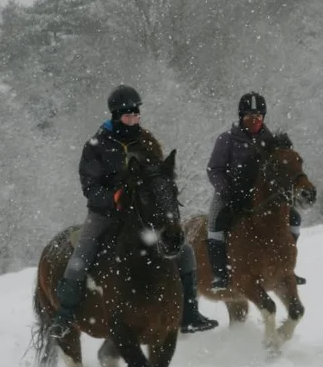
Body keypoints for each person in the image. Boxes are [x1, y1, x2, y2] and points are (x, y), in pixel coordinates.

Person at [47, 85, 218, 340]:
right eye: (128, 115)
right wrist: (112, 197)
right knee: (81, 255)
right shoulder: (96, 145)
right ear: (116, 116)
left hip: (143, 214)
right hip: (105, 213)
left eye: (136, 114)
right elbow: (89, 186)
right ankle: (65, 315)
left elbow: (159, 176)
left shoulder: (147, 141)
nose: (134, 119)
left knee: (185, 251)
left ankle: (190, 313)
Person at [205, 91, 306, 289]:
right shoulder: (226, 139)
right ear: (241, 117)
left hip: (265, 196)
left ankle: (287, 267)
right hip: (231, 193)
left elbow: (283, 167)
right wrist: (226, 190)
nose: (255, 120)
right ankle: (220, 274)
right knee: (215, 223)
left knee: (294, 219)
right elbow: (214, 169)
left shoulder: (271, 141)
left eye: (258, 116)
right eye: (250, 116)